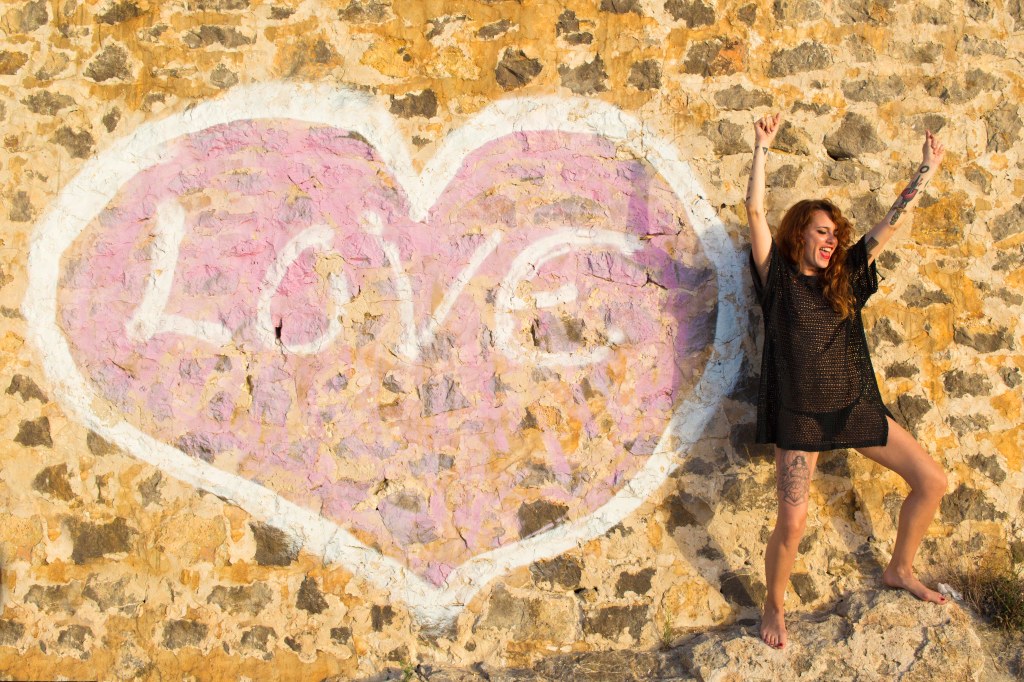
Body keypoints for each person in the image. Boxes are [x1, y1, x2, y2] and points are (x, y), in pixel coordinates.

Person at [744, 113, 949, 650]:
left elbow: (891, 222)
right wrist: (762, 148)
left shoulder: (847, 276)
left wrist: (925, 171)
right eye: (822, 232)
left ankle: (899, 569)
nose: (832, 241)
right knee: (792, 524)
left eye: (835, 235)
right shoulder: (778, 278)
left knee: (932, 481)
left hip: (855, 408)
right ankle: (774, 605)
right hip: (801, 419)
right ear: (800, 235)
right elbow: (755, 211)